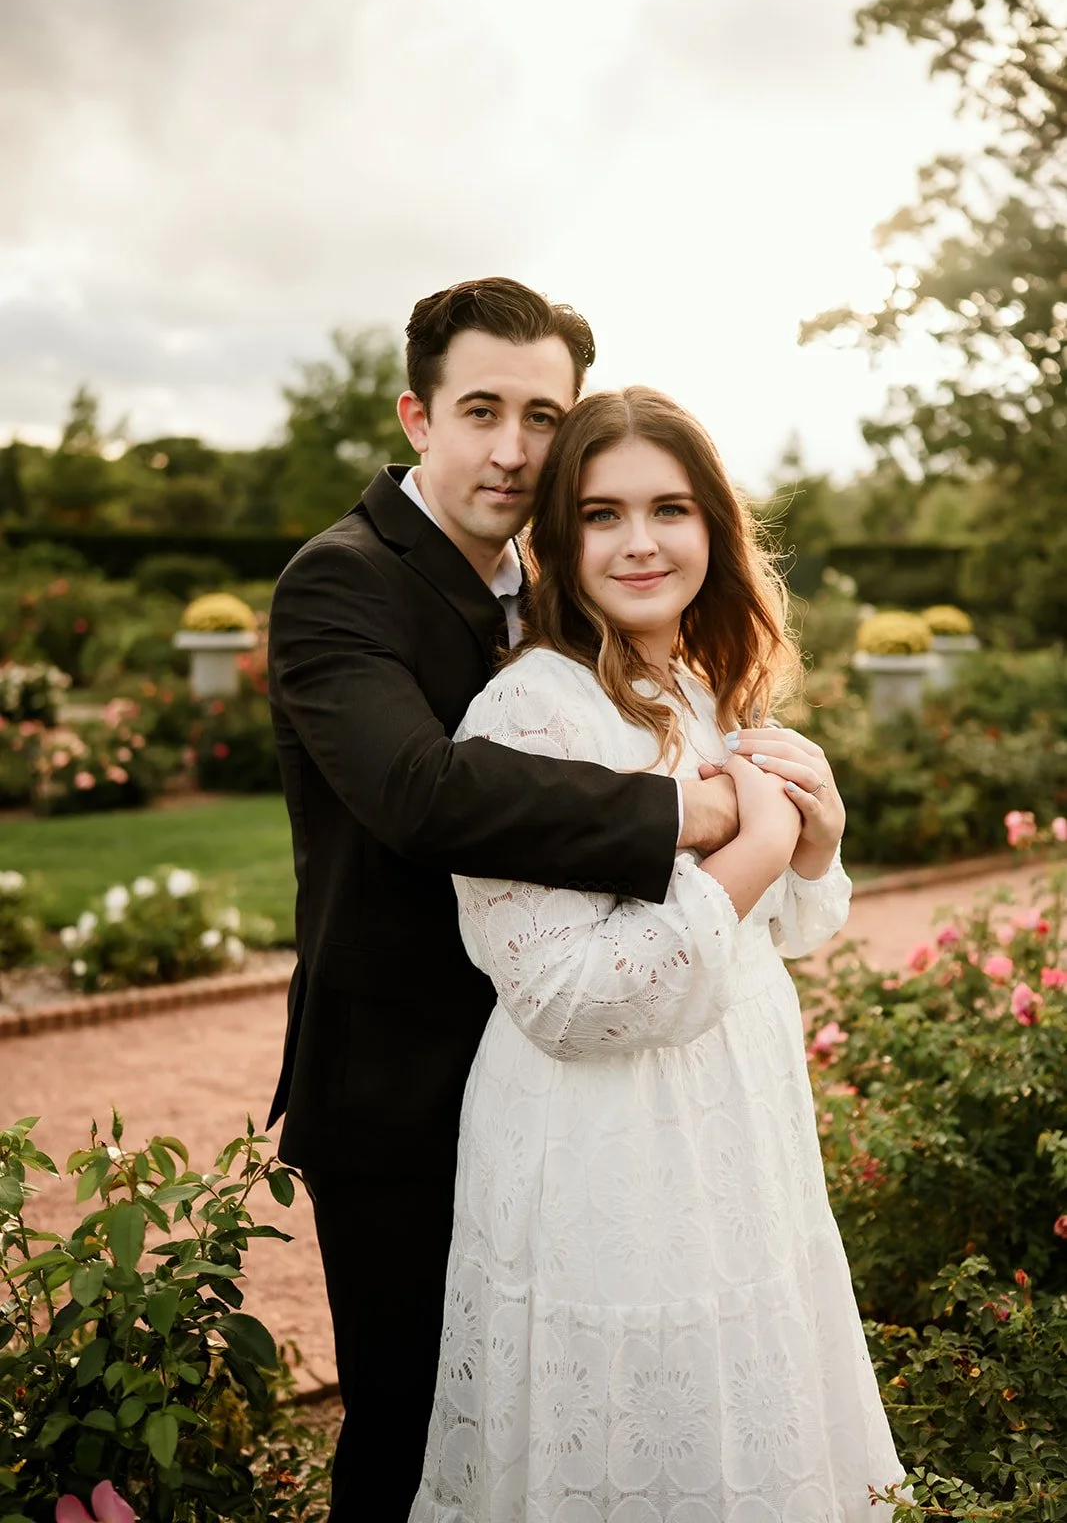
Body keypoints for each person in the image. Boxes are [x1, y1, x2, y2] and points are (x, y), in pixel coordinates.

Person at [266, 280, 738, 1519]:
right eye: (483, 409)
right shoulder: (340, 582)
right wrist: (680, 815)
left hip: (556, 1081)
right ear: (418, 416)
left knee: (551, 1419)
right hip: (399, 1093)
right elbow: (418, 794)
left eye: (544, 413)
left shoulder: (548, 588)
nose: (516, 447)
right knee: (418, 1432)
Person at [409, 387, 905, 1520]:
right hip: (601, 1148)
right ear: (557, 539)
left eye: (669, 508)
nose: (639, 542)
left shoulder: (696, 686)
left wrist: (813, 844)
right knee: (630, 1425)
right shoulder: (523, 716)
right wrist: (758, 844)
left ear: (711, 529)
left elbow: (781, 931)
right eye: (601, 513)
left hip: (733, 1126)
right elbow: (568, 998)